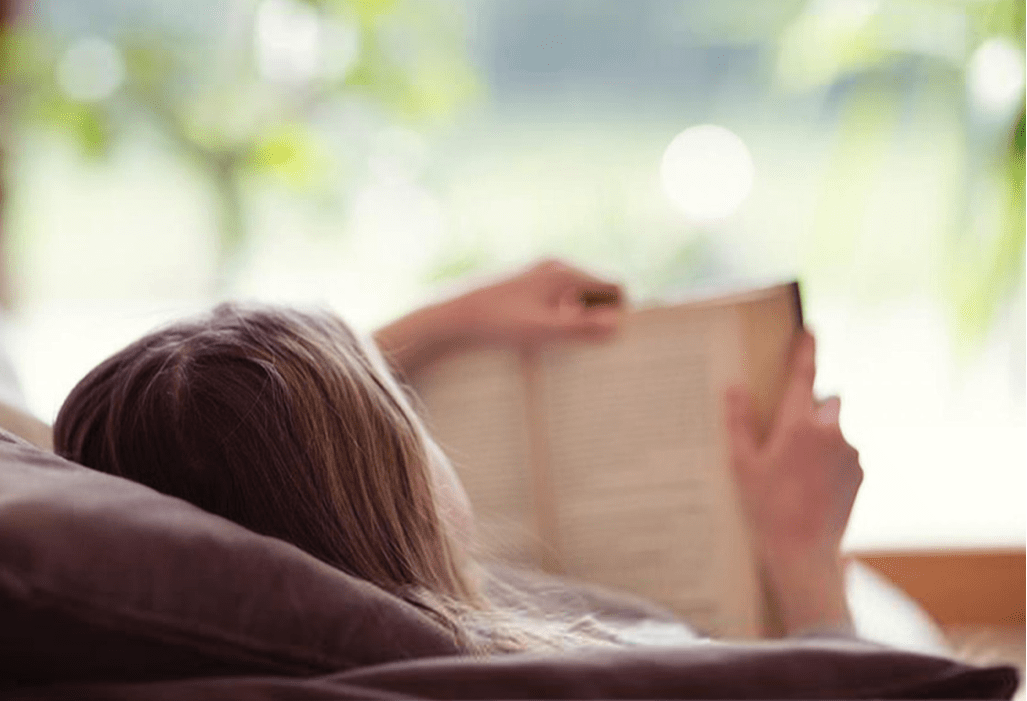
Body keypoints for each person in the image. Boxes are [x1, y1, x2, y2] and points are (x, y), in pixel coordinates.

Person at [53, 260, 863, 651]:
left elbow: (239, 444)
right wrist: (807, 567)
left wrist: (440, 324)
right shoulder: (628, 675)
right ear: (398, 502)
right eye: (409, 417)